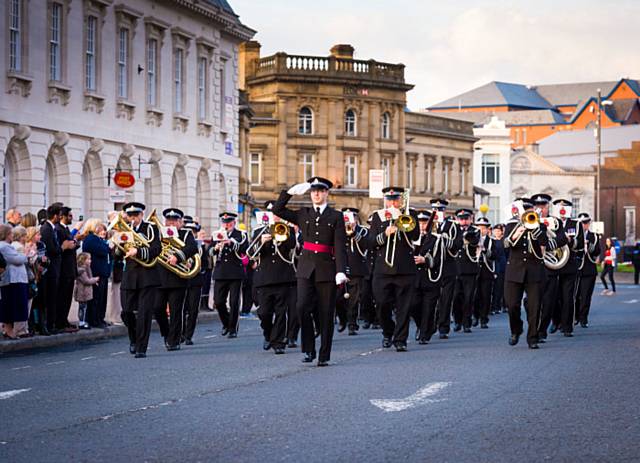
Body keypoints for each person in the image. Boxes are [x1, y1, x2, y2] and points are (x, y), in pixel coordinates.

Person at [272, 176, 348, 366]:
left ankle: (324, 354)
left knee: (325, 313)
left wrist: (340, 270)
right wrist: (289, 192)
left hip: (326, 269)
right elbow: (277, 209)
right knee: (301, 308)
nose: (316, 194)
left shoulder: (335, 216)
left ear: (326, 193)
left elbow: (339, 245)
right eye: (313, 191)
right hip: (306, 269)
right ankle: (308, 349)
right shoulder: (303, 213)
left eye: (320, 191)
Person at [367, 187, 419, 352]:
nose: (392, 203)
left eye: (395, 199)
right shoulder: (378, 216)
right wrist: (385, 233)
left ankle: (400, 339)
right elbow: (371, 241)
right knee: (382, 304)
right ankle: (388, 331)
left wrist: (402, 222)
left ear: (401, 200)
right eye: (389, 200)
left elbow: (416, 236)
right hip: (383, 269)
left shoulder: (410, 214)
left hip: (405, 268)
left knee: (404, 306)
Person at [248, 202, 297, 354]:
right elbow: (251, 254)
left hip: (283, 276)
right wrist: (261, 242)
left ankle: (278, 343)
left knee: (281, 312)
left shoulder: (288, 229)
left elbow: (292, 245)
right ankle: (268, 334)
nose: (275, 216)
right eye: (272, 214)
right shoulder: (258, 231)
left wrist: (280, 236)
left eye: (277, 214)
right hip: (264, 278)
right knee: (264, 313)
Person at [117, 202, 162, 358]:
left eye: (136, 215)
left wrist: (138, 251)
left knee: (144, 313)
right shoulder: (124, 230)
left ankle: (141, 347)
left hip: (147, 276)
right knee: (127, 311)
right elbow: (117, 253)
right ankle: (134, 339)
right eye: (130, 216)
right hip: (129, 276)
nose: (133, 218)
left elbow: (157, 249)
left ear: (142, 215)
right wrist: (117, 245)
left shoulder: (150, 228)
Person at [503, 198, 548, 349]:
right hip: (514, 270)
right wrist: (518, 232)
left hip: (533, 269)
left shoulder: (539, 224)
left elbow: (544, 243)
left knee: (535, 306)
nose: (528, 212)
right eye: (525, 210)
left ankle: (533, 338)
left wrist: (534, 228)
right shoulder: (511, 224)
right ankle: (516, 329)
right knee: (511, 304)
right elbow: (506, 244)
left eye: (530, 210)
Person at [155, 208, 199, 351]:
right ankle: (167, 333)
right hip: (160, 278)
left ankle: (173, 341)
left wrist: (178, 256)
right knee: (157, 308)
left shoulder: (186, 233)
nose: (171, 224)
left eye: (174, 221)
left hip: (177, 278)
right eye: (169, 221)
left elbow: (193, 248)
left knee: (176, 311)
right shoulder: (159, 233)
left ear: (180, 222)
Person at [209, 212, 248, 338]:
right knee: (218, 302)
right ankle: (226, 323)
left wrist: (230, 243)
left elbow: (245, 248)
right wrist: (216, 248)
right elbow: (209, 252)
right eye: (225, 223)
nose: (227, 225)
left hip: (235, 271)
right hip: (220, 272)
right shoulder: (217, 234)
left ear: (234, 222)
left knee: (234, 302)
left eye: (229, 222)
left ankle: (233, 328)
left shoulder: (241, 234)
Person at [553, 199, 583, 337]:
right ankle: (556, 321)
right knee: (554, 296)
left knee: (567, 297)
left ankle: (567, 327)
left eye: (564, 207)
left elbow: (581, 244)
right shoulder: (552, 222)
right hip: (553, 264)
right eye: (559, 207)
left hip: (569, 264)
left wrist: (570, 241)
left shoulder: (576, 224)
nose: (562, 210)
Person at [336, 207, 368, 336]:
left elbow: (365, 246)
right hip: (341, 269)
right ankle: (343, 319)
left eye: (352, 217)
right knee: (338, 298)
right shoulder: (339, 231)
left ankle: (352, 324)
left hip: (356, 269)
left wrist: (354, 233)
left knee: (353, 300)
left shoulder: (363, 231)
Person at [452, 208, 481, 333]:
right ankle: (457, 321)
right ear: (457, 219)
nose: (463, 221)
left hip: (470, 269)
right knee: (456, 297)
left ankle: (466, 323)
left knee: (469, 298)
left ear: (470, 219)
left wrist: (466, 235)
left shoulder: (475, 230)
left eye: (466, 219)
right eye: (461, 219)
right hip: (455, 268)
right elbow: (453, 244)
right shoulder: (453, 230)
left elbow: (474, 242)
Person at [55, 207, 82, 332]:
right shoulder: (58, 229)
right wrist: (75, 233)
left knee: (67, 298)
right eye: (69, 216)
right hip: (64, 269)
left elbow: (71, 245)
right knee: (62, 298)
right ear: (63, 216)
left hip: (70, 268)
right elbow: (63, 246)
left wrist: (75, 243)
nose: (71, 218)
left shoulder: (65, 229)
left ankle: (64, 320)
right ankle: (60, 322)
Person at [0, 225, 29, 339]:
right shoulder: (5, 247)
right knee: (12, 306)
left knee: (11, 305)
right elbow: (17, 259)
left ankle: (9, 330)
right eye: (11, 233)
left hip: (14, 279)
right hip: (12, 280)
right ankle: (9, 330)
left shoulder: (8, 246)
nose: (13, 235)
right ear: (6, 235)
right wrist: (25, 254)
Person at [82, 220, 111, 328]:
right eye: (99, 226)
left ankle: (100, 318)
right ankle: (94, 320)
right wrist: (109, 246)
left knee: (102, 299)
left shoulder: (98, 239)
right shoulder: (91, 239)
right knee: (96, 299)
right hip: (96, 272)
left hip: (103, 272)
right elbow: (103, 250)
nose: (101, 229)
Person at [40, 204, 63, 334]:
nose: (61, 217)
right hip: (50, 270)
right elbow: (51, 249)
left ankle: (51, 324)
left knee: (53, 297)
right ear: (55, 216)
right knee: (49, 298)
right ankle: (48, 325)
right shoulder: (47, 229)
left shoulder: (52, 228)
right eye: (60, 215)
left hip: (54, 268)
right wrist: (62, 248)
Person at [575, 213, 600, 327]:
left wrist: (588, 245)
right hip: (576, 269)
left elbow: (597, 251)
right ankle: (575, 317)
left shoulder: (594, 236)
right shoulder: (574, 235)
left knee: (585, 296)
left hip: (589, 270)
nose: (585, 225)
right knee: (574, 295)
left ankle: (583, 318)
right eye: (582, 223)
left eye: (586, 223)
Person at [182, 218, 204, 345]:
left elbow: (205, 263)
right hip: (182, 280)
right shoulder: (181, 243)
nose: (192, 233)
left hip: (195, 280)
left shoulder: (199, 246)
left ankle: (189, 335)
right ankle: (181, 333)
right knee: (182, 309)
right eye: (189, 231)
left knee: (193, 309)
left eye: (193, 231)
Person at [474, 216, 496, 329]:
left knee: (486, 296)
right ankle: (475, 316)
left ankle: (484, 318)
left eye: (483, 228)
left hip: (487, 271)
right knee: (475, 295)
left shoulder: (492, 241)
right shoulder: (472, 238)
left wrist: (485, 250)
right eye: (479, 227)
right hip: (475, 270)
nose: (481, 230)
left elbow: (495, 255)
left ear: (488, 229)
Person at [74, 252, 99, 329]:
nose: (90, 260)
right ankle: (81, 322)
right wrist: (95, 279)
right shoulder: (81, 270)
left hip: (84, 292)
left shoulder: (86, 268)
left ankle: (83, 321)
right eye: (88, 259)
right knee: (82, 308)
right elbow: (86, 281)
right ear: (83, 260)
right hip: (82, 293)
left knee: (84, 307)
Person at [491, 224, 507, 315]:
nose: (497, 233)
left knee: (503, 287)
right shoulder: (492, 241)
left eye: (498, 231)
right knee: (496, 288)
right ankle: (495, 306)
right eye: (495, 231)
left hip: (503, 265)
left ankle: (504, 305)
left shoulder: (504, 241)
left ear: (502, 232)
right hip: (494, 265)